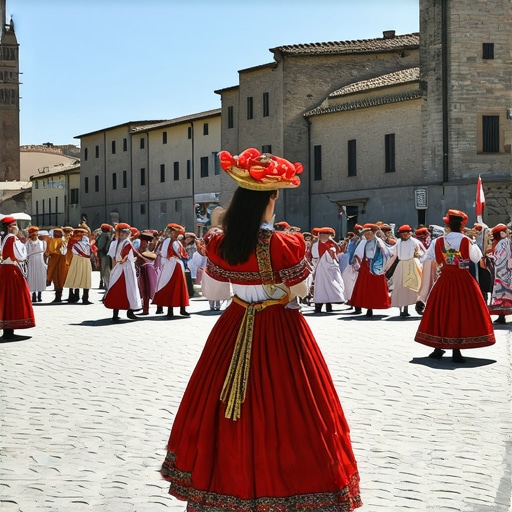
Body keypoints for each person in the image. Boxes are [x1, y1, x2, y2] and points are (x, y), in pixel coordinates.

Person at [160, 148, 362, 511]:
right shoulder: (284, 243)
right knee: (295, 412)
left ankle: (222, 489)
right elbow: (300, 290)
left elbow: (215, 291)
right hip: (281, 329)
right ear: (271, 200)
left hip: (234, 325)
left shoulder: (221, 243)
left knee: (220, 411)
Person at [414, 209, 496, 362]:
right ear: (462, 226)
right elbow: (477, 258)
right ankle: (456, 350)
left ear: (448, 226)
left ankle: (438, 347)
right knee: (461, 312)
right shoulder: (467, 241)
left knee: (442, 312)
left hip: (444, 280)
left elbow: (426, 258)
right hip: (464, 281)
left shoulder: (437, 242)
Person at [0, 216, 36, 340]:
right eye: (15, 225)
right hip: (11, 270)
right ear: (10, 227)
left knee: (6, 299)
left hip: (4, 269)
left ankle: (7, 329)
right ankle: (9, 332)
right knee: (14, 298)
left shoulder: (3, 238)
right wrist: (19, 241)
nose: (17, 227)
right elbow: (20, 256)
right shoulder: (12, 238)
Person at [350, 223, 391, 317]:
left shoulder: (379, 241)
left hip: (375, 267)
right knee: (363, 287)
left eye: (369, 233)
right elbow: (357, 254)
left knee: (374, 288)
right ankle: (359, 305)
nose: (367, 235)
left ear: (373, 233)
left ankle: (371, 306)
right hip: (365, 267)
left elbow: (386, 253)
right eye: (366, 233)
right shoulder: (362, 242)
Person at [103, 223, 142, 322]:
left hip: (123, 267)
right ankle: (121, 312)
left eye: (125, 233)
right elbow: (118, 257)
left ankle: (127, 311)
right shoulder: (123, 243)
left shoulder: (121, 242)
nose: (123, 235)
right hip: (125, 267)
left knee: (126, 288)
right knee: (122, 288)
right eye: (121, 233)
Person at [385, 224, 425, 317]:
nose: (405, 236)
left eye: (407, 234)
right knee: (400, 287)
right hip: (401, 265)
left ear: (410, 233)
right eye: (403, 234)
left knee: (413, 287)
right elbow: (393, 254)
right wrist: (386, 267)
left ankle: (413, 307)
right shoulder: (398, 242)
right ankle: (401, 309)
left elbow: (422, 252)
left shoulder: (415, 242)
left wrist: (420, 259)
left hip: (412, 264)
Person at [152, 223, 190, 318]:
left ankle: (181, 308)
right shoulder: (169, 240)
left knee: (179, 286)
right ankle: (172, 309)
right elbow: (164, 253)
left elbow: (181, 254)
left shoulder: (177, 242)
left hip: (176, 264)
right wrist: (164, 262)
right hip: (171, 264)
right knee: (170, 285)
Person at [310, 226, 345, 313]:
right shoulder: (315, 244)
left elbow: (336, 255)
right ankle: (318, 306)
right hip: (320, 269)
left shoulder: (332, 244)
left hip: (330, 269)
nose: (324, 236)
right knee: (319, 287)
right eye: (322, 234)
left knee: (330, 287)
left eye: (326, 235)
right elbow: (313, 256)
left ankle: (329, 305)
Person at [487, 223, 512, 324]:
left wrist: (492, 258)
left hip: (502, 273)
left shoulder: (503, 243)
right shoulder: (504, 242)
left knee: (502, 295)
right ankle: (502, 316)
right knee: (504, 295)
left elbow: (501, 258)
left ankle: (502, 316)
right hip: (504, 272)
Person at [63, 227, 93, 304]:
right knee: (83, 278)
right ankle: (83, 297)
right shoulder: (79, 242)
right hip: (83, 261)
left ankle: (74, 296)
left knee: (76, 277)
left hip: (76, 260)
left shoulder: (74, 242)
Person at [45, 228, 69, 303]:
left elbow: (48, 252)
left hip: (54, 262)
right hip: (62, 262)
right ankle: (59, 295)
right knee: (61, 278)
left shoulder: (51, 241)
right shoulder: (64, 240)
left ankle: (58, 296)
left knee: (56, 278)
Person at [25, 226, 48, 303]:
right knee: (32, 277)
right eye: (32, 234)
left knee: (40, 277)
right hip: (31, 261)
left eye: (35, 234)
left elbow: (45, 254)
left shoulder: (43, 243)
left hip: (40, 261)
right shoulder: (27, 243)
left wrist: (45, 263)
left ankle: (40, 294)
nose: (34, 236)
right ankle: (34, 295)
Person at [95, 223, 113, 289]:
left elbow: (96, 243)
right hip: (105, 254)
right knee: (106, 269)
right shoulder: (108, 236)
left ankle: (101, 281)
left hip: (100, 253)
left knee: (101, 269)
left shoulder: (100, 235)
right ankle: (105, 283)